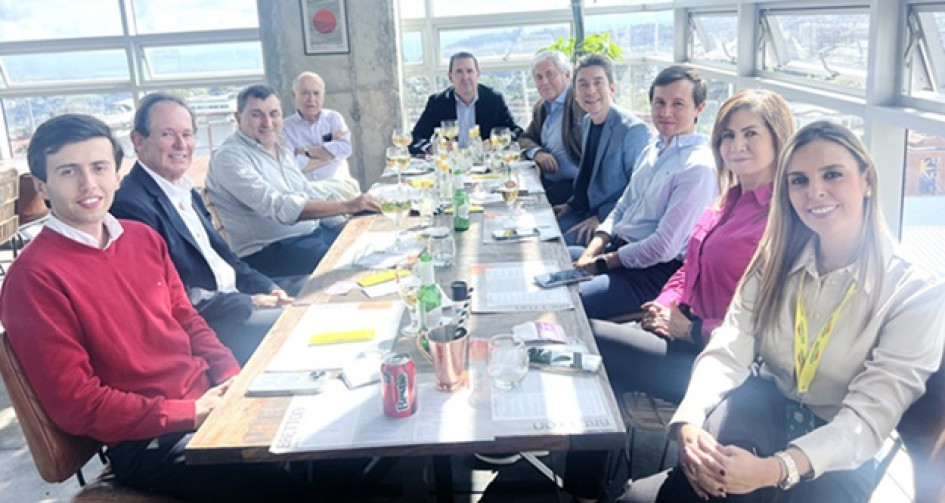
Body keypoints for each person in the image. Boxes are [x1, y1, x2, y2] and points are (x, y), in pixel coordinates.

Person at [620, 121, 945, 503]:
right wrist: (690, 418)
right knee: (717, 472)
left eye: (833, 175)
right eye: (799, 181)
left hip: (837, 444)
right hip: (765, 404)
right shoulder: (775, 260)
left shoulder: (916, 291)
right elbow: (729, 348)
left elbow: (867, 420)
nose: (815, 192)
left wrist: (776, 469)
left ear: (867, 181)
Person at [0, 114, 315, 500]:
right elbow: (77, 404)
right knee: (296, 486)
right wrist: (192, 413)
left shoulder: (141, 238)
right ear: (43, 185)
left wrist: (229, 376)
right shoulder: (33, 278)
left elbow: (188, 320)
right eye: (68, 172)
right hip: (150, 440)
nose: (88, 184)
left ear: (117, 174)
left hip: (207, 403)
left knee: (325, 438)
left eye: (99, 167)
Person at [591, 89, 795, 403]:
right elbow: (689, 267)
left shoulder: (779, 220)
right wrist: (665, 303)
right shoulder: (727, 200)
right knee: (606, 372)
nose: (736, 145)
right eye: (728, 135)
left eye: (751, 133)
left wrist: (691, 329)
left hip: (724, 363)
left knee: (592, 339)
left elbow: (769, 332)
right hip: (681, 328)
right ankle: (603, 450)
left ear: (778, 138)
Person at [111, 93, 297, 365]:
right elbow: (172, 300)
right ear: (138, 141)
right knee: (301, 330)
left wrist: (269, 288)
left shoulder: (185, 190)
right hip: (212, 326)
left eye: (187, 134)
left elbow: (227, 259)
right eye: (167, 134)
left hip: (239, 298)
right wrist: (251, 302)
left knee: (326, 295)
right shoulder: (130, 206)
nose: (180, 144)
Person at [570, 65, 717, 320]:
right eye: (659, 102)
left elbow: (663, 247)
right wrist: (593, 249)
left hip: (651, 273)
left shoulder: (698, 167)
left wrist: (602, 263)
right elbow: (623, 206)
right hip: (618, 249)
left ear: (699, 108)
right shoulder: (653, 148)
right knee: (553, 261)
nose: (666, 112)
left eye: (678, 104)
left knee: (567, 302)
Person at [206, 84, 379, 278]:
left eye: (274, 114)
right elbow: (279, 206)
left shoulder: (280, 149)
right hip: (271, 253)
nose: (267, 122)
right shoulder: (229, 157)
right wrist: (347, 206)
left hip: (311, 236)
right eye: (257, 115)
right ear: (238, 118)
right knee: (360, 270)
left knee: (374, 247)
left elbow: (308, 193)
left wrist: (345, 226)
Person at [553, 54, 652, 247]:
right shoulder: (589, 121)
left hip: (611, 222)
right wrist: (571, 204)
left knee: (555, 248)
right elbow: (589, 177)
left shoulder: (633, 130)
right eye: (583, 84)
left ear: (612, 88)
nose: (590, 91)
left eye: (598, 82)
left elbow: (641, 192)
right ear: (575, 93)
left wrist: (601, 218)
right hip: (583, 211)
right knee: (540, 232)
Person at [408, 51, 522, 155]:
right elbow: (416, 138)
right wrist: (431, 148)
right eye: (459, 72)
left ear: (477, 74)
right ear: (450, 77)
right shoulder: (437, 102)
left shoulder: (494, 99)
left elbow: (517, 132)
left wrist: (494, 143)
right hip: (451, 165)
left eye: (469, 71)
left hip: (485, 165)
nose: (465, 77)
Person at [518, 50, 586, 205]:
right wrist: (538, 153)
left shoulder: (580, 102)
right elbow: (525, 138)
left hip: (576, 187)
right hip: (548, 183)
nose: (544, 82)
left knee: (524, 209)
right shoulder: (542, 107)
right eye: (539, 77)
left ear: (567, 75)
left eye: (550, 74)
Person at [281, 71, 361, 200]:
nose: (311, 99)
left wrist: (305, 151)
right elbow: (293, 166)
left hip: (338, 188)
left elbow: (345, 149)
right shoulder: (285, 127)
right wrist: (330, 155)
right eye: (305, 93)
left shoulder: (333, 118)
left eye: (316, 93)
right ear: (294, 95)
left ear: (323, 95)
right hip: (306, 192)